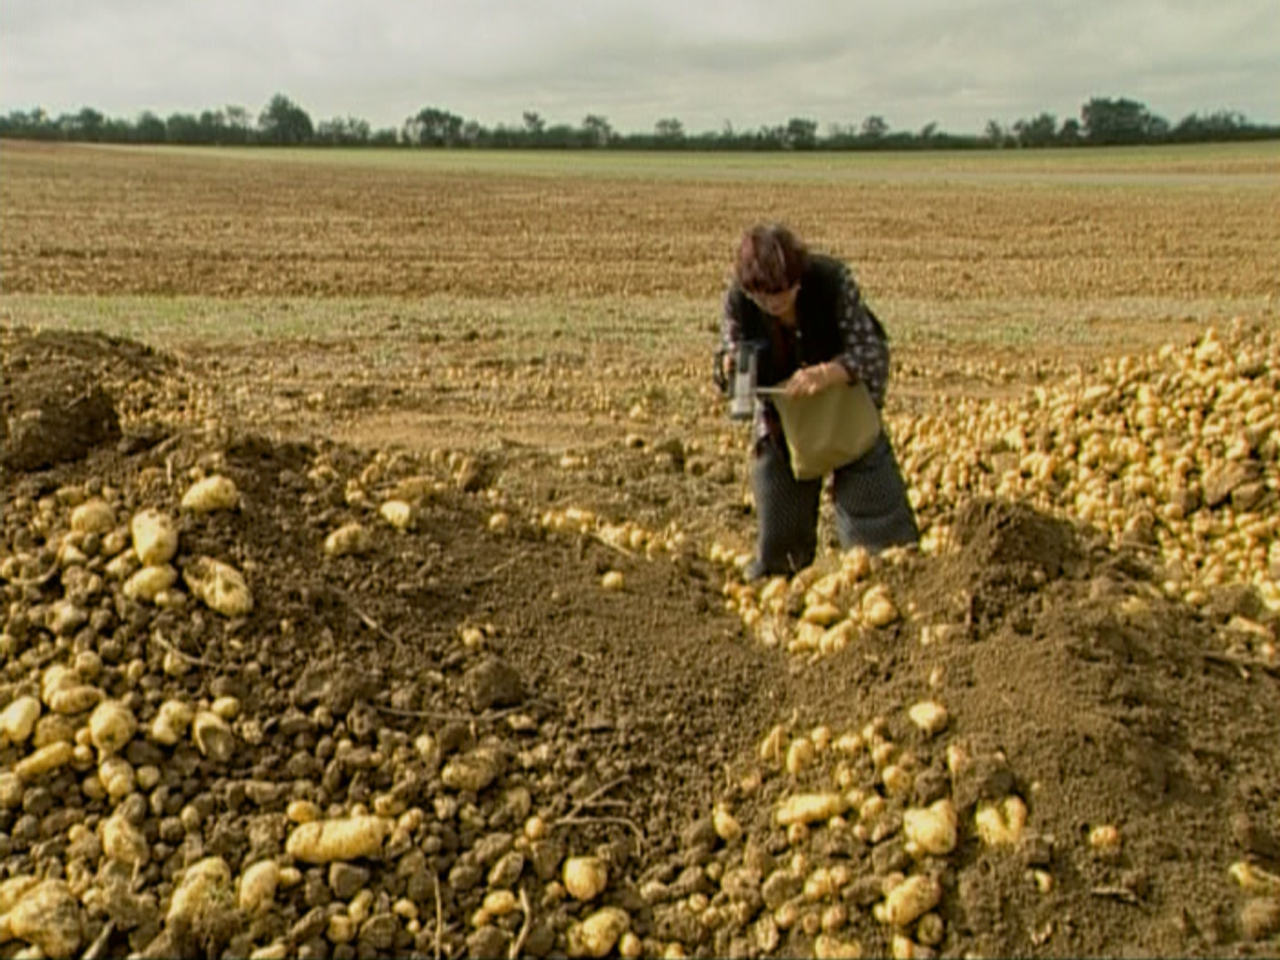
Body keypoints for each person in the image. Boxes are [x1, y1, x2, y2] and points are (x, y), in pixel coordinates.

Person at [714, 222, 919, 580]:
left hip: (844, 411)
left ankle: (887, 579)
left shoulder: (832, 283)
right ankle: (780, 583)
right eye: (765, 298)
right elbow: (730, 370)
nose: (775, 304)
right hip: (784, 421)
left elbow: (872, 352)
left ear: (798, 279)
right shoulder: (740, 304)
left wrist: (826, 374)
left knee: (881, 534)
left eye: (783, 293)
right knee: (779, 532)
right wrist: (728, 368)